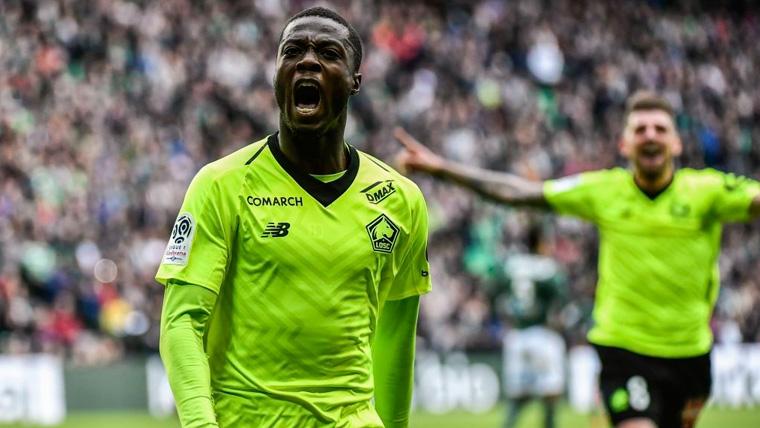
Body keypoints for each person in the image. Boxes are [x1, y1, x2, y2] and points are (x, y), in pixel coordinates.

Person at [395, 90, 760, 428]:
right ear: (624, 143)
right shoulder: (603, 190)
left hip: (690, 353)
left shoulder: (707, 191)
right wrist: (442, 168)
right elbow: (521, 193)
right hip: (624, 347)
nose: (651, 135)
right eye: (641, 129)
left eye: (660, 128)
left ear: (676, 142)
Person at [156, 7, 431, 428]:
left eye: (328, 52)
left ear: (355, 81)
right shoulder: (221, 185)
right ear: (276, 76)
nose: (307, 60)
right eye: (292, 51)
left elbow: (395, 337)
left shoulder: (400, 199)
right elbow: (181, 323)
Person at [499, 234, 567, 428]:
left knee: (517, 397)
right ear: (540, 244)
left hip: (516, 336)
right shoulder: (547, 267)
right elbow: (559, 297)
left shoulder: (512, 264)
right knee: (551, 393)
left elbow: (495, 290)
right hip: (541, 335)